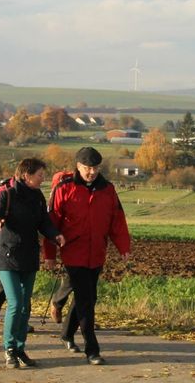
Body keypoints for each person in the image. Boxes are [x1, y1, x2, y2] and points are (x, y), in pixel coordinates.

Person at [43, 147, 131, 365]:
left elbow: (117, 220)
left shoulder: (108, 190)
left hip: (97, 253)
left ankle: (66, 334)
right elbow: (51, 223)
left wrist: (124, 247)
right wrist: (50, 254)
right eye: (87, 168)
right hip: (73, 252)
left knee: (89, 297)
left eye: (95, 168)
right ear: (78, 166)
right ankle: (92, 349)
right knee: (85, 300)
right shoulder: (64, 188)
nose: (91, 172)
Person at [0, 158, 65, 368]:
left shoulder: (38, 196)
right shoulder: (8, 194)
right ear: (26, 175)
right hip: (8, 256)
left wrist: (55, 235)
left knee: (25, 306)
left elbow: (44, 223)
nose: (43, 178)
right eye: (40, 174)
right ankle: (9, 349)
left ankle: (21, 348)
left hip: (29, 256)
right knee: (15, 303)